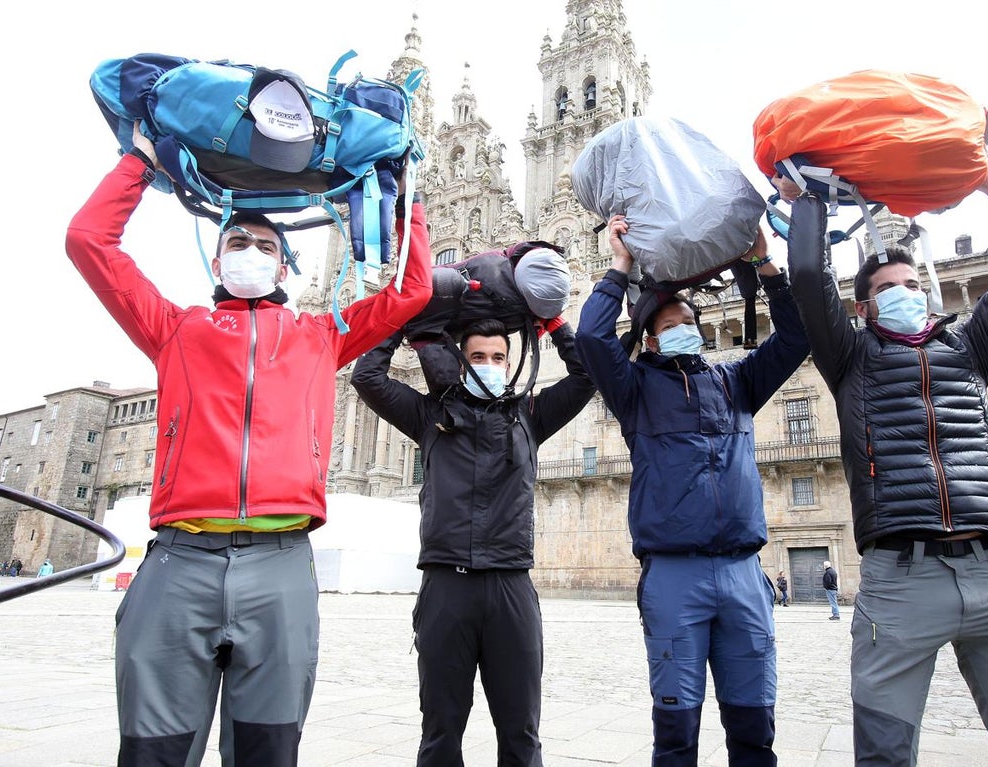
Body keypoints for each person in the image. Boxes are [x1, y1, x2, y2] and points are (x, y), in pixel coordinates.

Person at [65, 123, 433, 766]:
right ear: (217, 260)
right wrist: (139, 163)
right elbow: (89, 241)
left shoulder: (322, 335)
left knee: (268, 753)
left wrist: (403, 198)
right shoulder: (174, 330)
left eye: (267, 246)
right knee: (153, 752)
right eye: (237, 241)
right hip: (180, 562)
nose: (251, 252)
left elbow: (412, 292)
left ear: (285, 267)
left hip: (282, 563)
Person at [783, 162, 988, 765]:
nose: (905, 295)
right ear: (862, 309)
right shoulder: (850, 360)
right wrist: (808, 200)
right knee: (885, 755)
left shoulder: (970, 350)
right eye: (888, 289)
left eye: (912, 285)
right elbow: (809, 277)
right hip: (900, 582)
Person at [576, 214, 810, 766]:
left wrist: (764, 265)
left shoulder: (737, 382)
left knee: (755, 727)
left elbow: (797, 336)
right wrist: (620, 266)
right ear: (650, 340)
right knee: (676, 730)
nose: (686, 328)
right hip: (674, 577)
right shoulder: (633, 391)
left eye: (690, 320)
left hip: (743, 574)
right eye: (671, 323)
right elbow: (590, 336)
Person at [350, 315, 595, 766]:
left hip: (510, 586)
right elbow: (367, 376)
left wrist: (556, 324)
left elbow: (586, 376)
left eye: (498, 357)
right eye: (478, 356)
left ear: (511, 363)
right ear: (460, 362)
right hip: (447, 586)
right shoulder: (429, 415)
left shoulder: (530, 417)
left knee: (521, 731)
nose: (489, 364)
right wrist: (403, 325)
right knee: (440, 730)